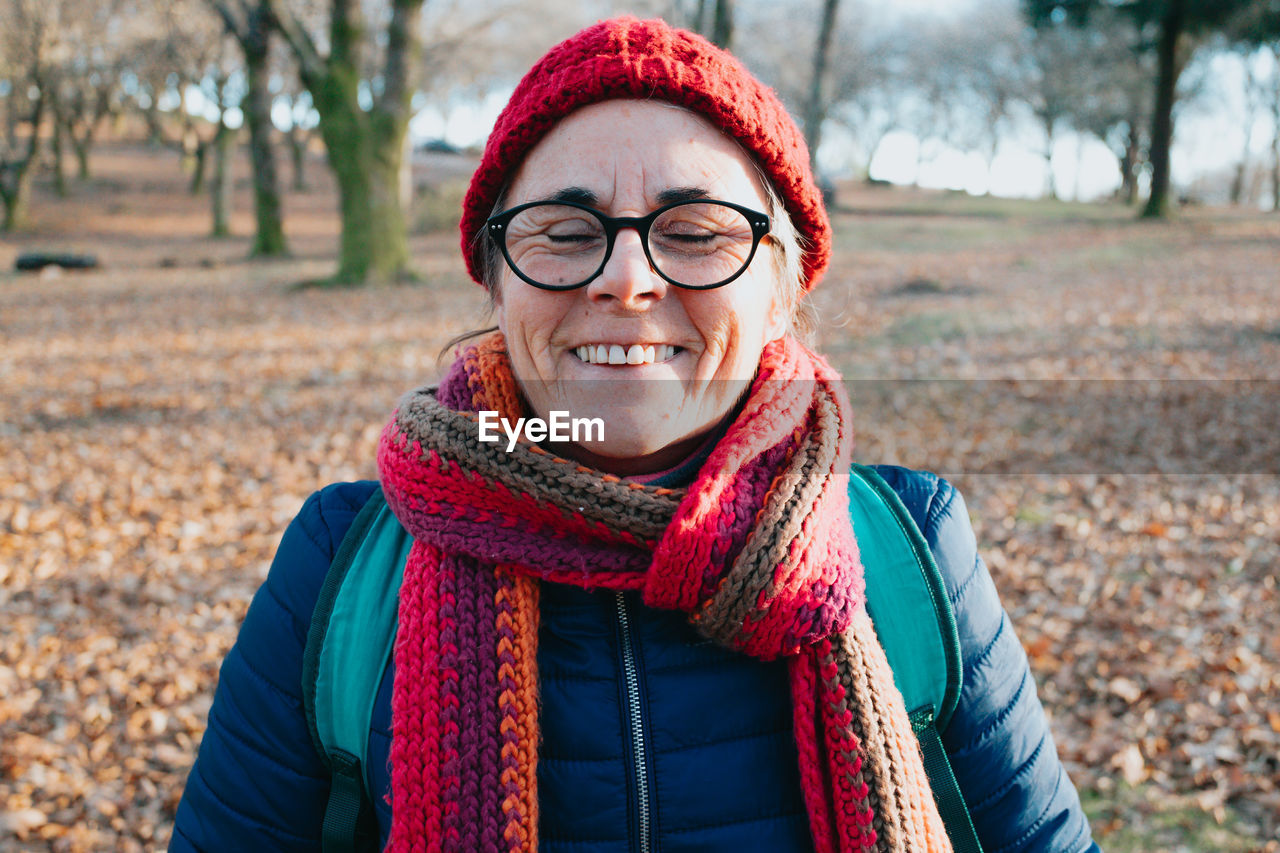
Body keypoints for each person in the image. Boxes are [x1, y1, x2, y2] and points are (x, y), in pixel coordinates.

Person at [171, 17, 1099, 853]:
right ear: (497, 280)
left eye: (695, 230)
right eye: (565, 230)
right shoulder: (343, 561)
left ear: (783, 288)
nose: (625, 278)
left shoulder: (911, 547)